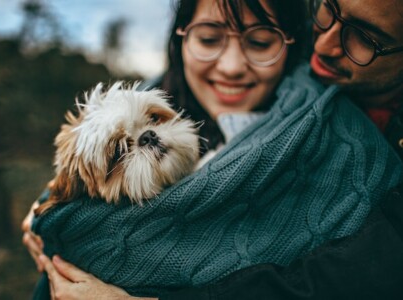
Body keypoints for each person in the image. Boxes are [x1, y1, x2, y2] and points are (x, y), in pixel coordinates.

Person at [22, 0, 403, 299]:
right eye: (208, 38)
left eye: (259, 41)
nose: (233, 66)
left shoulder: (338, 131)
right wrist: (49, 209)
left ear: (290, 43)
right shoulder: (154, 92)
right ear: (180, 38)